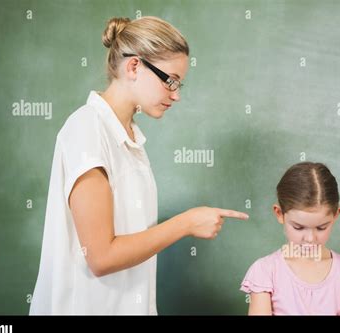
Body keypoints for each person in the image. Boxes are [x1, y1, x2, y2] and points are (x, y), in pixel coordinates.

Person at [30, 16, 248, 315]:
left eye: (179, 83)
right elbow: (101, 257)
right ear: (134, 66)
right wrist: (186, 223)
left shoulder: (130, 139)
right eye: (170, 80)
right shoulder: (87, 129)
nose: (176, 94)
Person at [240, 162, 340, 315]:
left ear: (336, 215)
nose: (310, 238)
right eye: (299, 227)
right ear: (279, 213)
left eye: (321, 227)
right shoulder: (264, 272)